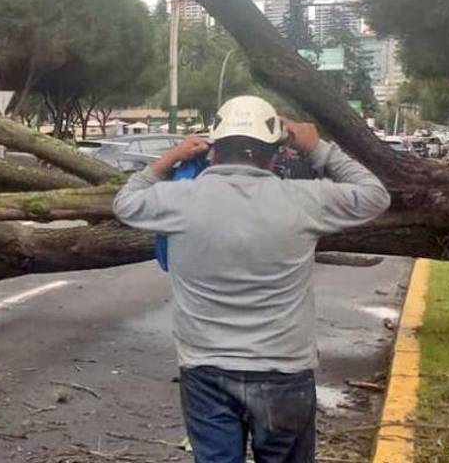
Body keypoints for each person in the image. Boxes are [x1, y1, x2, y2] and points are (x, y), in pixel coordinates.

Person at [113, 95, 390, 463]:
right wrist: (318, 148)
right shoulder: (303, 200)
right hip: (284, 371)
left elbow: (125, 202)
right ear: (274, 154)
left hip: (206, 371)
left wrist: (172, 156)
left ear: (213, 151)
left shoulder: (178, 199)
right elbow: (375, 196)